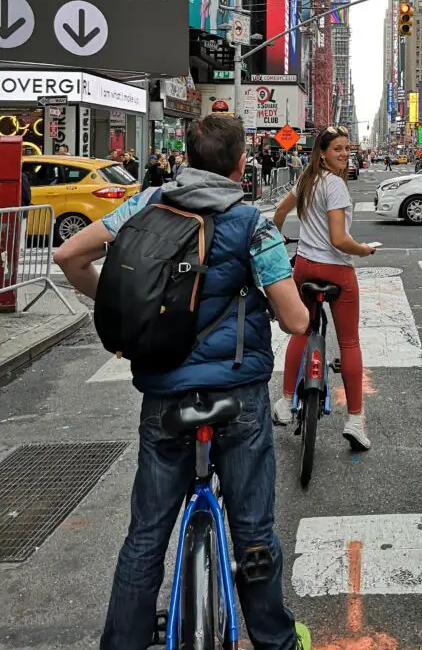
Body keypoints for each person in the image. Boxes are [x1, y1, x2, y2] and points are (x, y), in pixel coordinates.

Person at [53, 114, 312, 650]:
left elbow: (67, 255)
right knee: (254, 533)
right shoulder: (251, 223)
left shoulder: (146, 204)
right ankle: (276, 640)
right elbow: (295, 321)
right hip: (237, 397)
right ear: (242, 163)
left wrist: (117, 306)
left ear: (184, 159)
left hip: (164, 392)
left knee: (146, 536)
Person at [272, 125, 375, 450]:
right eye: (338, 149)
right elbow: (339, 240)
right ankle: (355, 420)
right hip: (337, 272)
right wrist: (363, 249)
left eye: (347, 149)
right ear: (322, 153)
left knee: (301, 332)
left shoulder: (306, 180)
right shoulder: (336, 187)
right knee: (349, 342)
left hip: (304, 267)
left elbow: (279, 213)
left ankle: (286, 402)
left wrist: (277, 243)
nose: (345, 154)